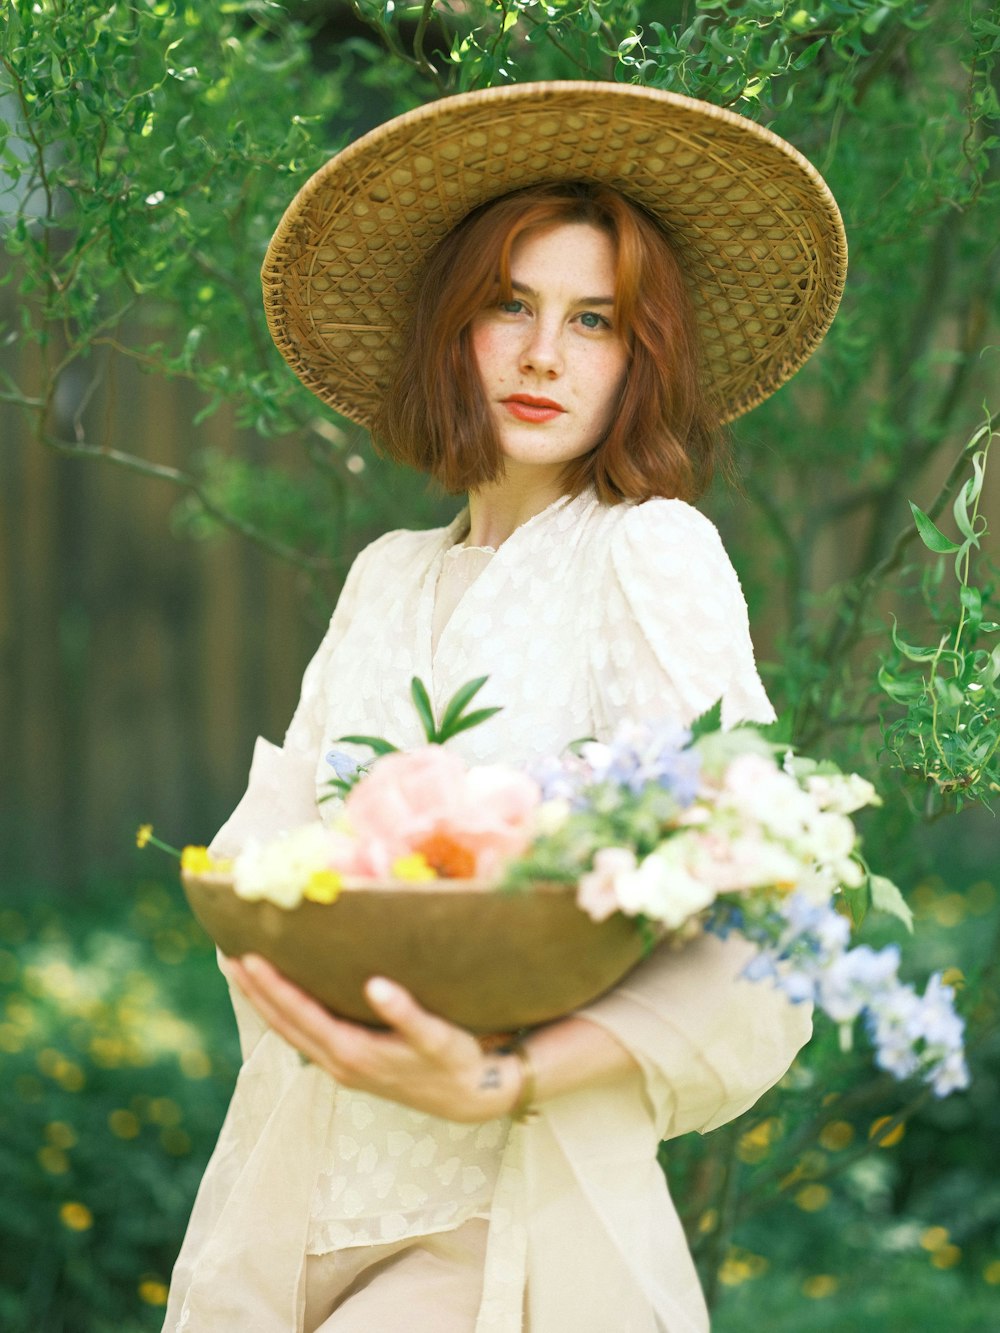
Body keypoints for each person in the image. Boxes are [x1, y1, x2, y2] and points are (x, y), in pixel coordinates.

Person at [162, 82, 846, 1332]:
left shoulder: (648, 552)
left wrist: (501, 1071)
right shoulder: (384, 578)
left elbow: (763, 916)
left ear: (645, 359)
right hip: (293, 1191)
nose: (544, 355)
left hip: (513, 1223)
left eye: (596, 321)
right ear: (450, 331)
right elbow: (281, 866)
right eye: (509, 306)